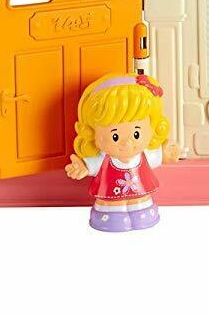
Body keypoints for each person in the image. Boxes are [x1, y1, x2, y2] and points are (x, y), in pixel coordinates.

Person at [64, 73, 180, 232]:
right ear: (93, 133)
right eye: (115, 136)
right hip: (110, 200)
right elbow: (91, 165)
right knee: (113, 211)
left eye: (136, 134)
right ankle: (112, 216)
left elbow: (157, 156)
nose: (127, 143)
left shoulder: (144, 154)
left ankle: (142, 211)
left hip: (141, 195)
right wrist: (83, 167)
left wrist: (167, 153)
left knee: (142, 205)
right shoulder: (103, 158)